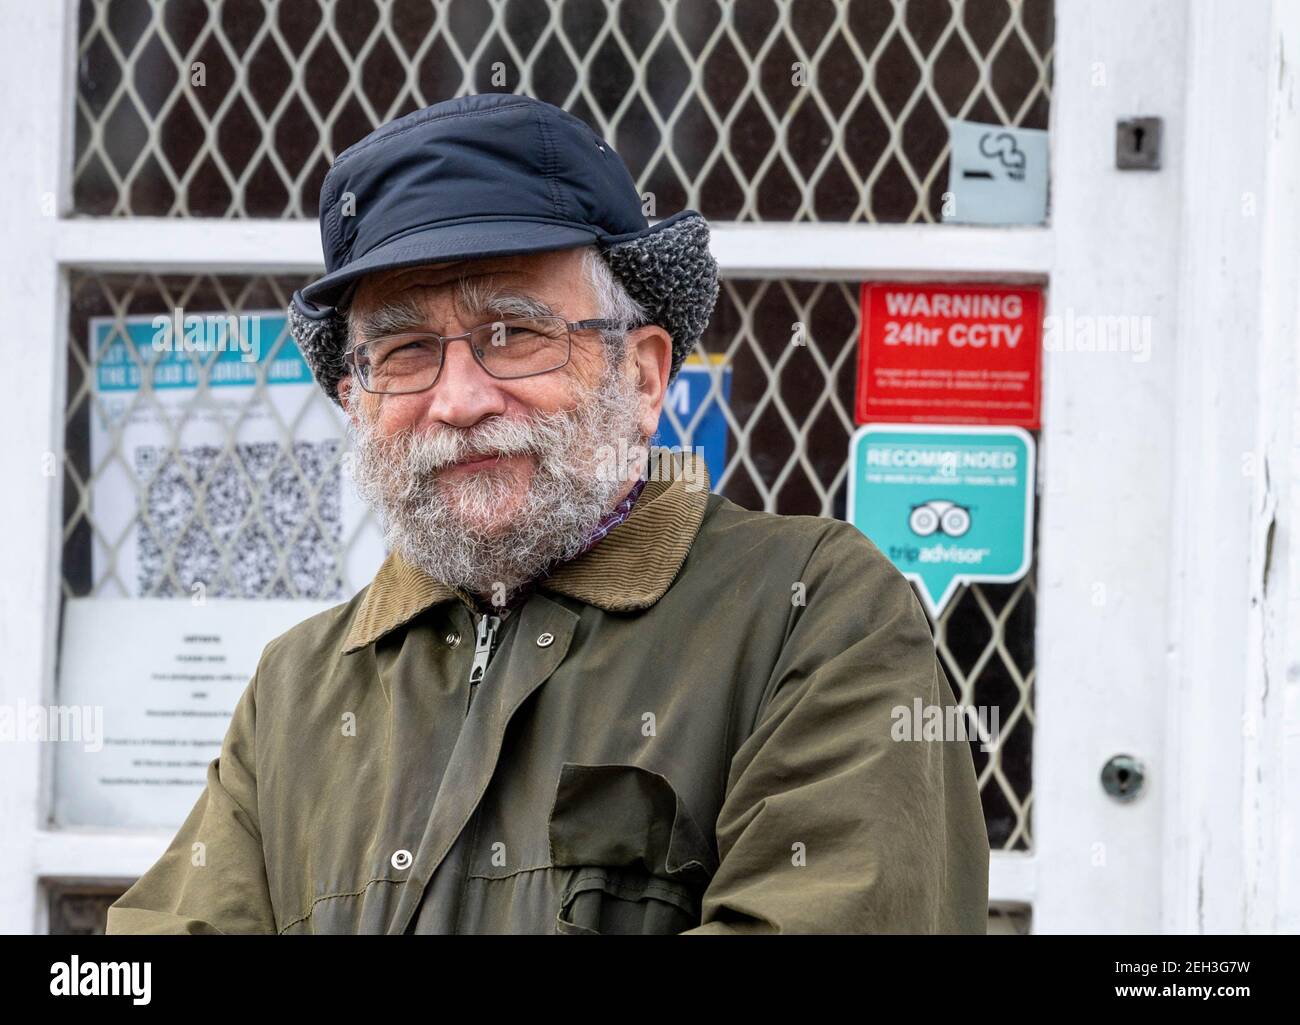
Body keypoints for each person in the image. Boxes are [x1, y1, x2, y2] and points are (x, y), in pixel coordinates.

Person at [106, 92, 989, 934]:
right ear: (356, 400)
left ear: (641, 376)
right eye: (406, 350)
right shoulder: (296, 688)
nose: (458, 398)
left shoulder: (810, 610)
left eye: (513, 332)